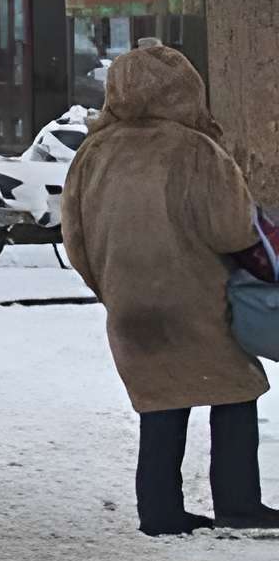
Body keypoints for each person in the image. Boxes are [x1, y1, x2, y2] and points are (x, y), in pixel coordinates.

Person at [59, 42, 279, 535]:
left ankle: (159, 511)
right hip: (198, 301)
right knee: (236, 390)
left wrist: (110, 286)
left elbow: (74, 237)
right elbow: (233, 230)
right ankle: (239, 502)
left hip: (129, 305)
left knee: (160, 400)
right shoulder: (195, 150)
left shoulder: (93, 153)